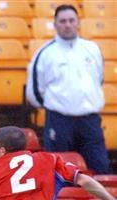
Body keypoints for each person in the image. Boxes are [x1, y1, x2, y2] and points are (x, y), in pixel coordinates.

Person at [26, 4, 110, 174]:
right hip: (60, 121)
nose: (67, 24)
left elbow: (98, 80)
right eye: (62, 21)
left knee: (100, 168)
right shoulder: (45, 53)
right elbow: (34, 92)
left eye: (71, 20)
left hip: (90, 121)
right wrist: (58, 105)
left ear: (78, 23)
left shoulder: (92, 49)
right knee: (58, 171)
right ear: (55, 24)